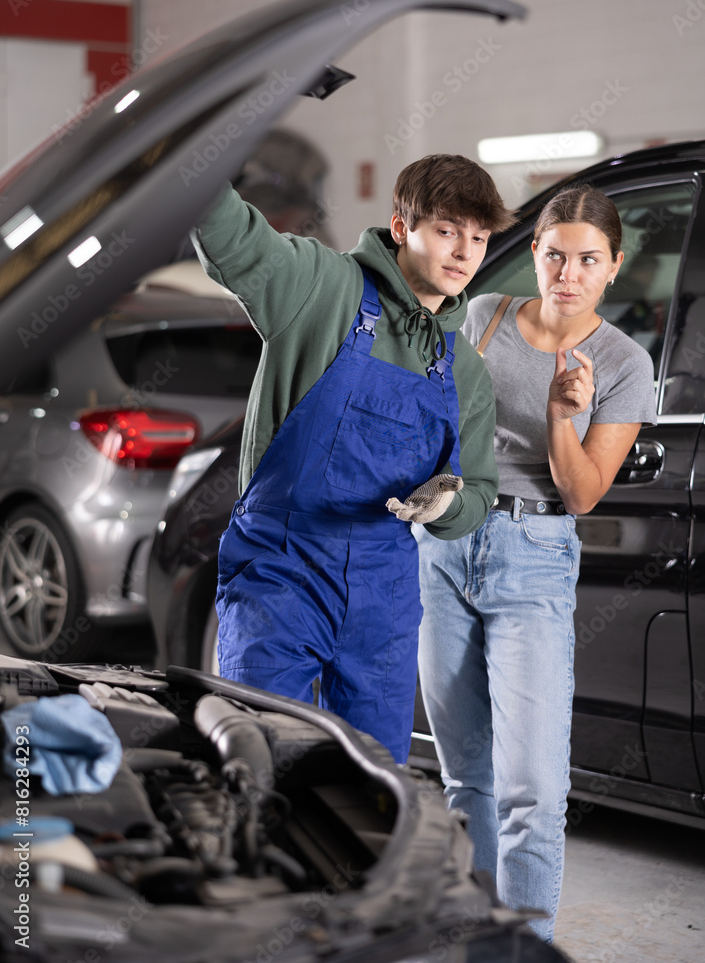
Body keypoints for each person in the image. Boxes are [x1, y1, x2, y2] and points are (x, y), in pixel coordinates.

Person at [192, 154, 516, 763]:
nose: (464, 252)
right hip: (282, 572)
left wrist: (447, 500)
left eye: (478, 238)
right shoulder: (323, 288)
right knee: (253, 762)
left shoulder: (464, 370)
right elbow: (231, 237)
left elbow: (478, 492)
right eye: (447, 230)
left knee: (373, 784)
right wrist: (199, 145)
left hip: (385, 591)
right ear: (400, 226)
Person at [415, 184, 657, 941]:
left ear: (613, 266)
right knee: (466, 781)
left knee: (532, 789)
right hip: (445, 547)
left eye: (587, 260)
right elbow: (431, 418)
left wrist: (560, 416)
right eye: (555, 256)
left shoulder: (621, 362)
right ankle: (476, 944)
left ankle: (526, 951)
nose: (568, 273)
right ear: (535, 256)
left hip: (534, 557)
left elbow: (582, 494)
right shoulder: (483, 320)